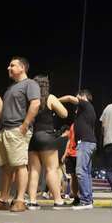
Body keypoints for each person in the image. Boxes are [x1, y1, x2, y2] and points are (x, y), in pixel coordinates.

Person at [0, 57, 40, 212]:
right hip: (4, 131)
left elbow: (35, 103)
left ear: (22, 68)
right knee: (6, 168)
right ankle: (3, 199)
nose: (9, 68)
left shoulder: (30, 84)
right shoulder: (12, 87)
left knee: (20, 165)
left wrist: (25, 125)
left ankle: (20, 200)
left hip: (17, 130)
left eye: (12, 65)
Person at [26, 75, 68, 210]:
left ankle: (32, 201)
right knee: (51, 170)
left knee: (33, 171)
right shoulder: (49, 97)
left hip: (34, 137)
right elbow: (64, 114)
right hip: (47, 136)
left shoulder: (30, 99)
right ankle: (58, 200)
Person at [60, 90, 97, 210]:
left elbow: (70, 98)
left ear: (83, 97)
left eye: (79, 97)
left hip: (85, 143)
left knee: (80, 171)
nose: (77, 99)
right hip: (89, 143)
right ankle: (88, 200)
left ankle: (86, 201)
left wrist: (56, 101)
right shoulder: (87, 111)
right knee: (85, 172)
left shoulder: (86, 105)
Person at [61, 123, 79, 205]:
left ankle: (85, 197)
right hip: (71, 154)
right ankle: (76, 197)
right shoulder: (72, 125)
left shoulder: (83, 124)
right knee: (73, 176)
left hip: (79, 153)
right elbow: (69, 140)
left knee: (81, 176)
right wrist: (65, 154)